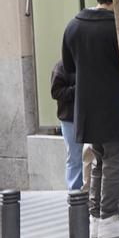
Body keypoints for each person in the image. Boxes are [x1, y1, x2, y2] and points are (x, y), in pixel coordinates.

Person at [62, 0, 119, 238]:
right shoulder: (118, 27)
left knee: (98, 162)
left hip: (86, 108)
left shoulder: (73, 25)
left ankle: (96, 217)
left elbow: (68, 66)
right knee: (116, 161)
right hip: (114, 105)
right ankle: (108, 217)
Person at [50, 61, 84, 191]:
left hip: (87, 116)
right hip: (70, 118)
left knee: (89, 155)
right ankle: (74, 191)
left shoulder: (86, 63)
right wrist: (77, 89)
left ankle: (86, 190)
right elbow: (55, 92)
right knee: (75, 155)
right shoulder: (61, 67)